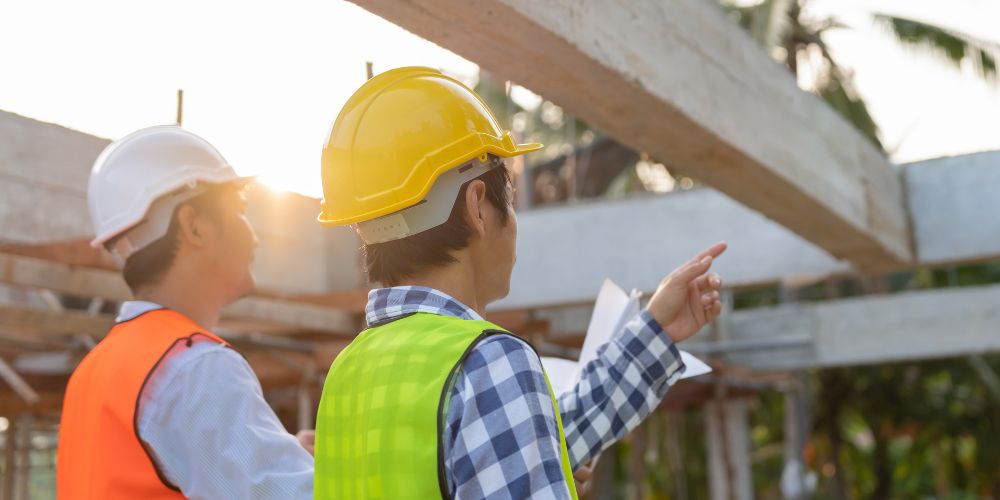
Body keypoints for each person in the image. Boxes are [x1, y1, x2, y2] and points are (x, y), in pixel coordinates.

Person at [312, 67, 726, 499]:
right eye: (508, 198)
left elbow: (507, 443)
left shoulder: (346, 376)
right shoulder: (486, 361)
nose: (514, 220)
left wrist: (655, 331)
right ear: (477, 206)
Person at [57, 125, 314, 499]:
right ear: (194, 226)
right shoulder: (194, 365)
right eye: (241, 210)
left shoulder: (96, 369)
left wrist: (276, 451)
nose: (254, 233)